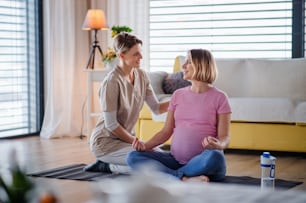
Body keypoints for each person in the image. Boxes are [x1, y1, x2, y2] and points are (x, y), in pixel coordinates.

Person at [127, 49, 231, 182]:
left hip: (204, 161)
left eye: (188, 62)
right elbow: (166, 131)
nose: (183, 66)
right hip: (175, 160)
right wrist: (145, 145)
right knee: (133, 157)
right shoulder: (178, 95)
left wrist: (218, 144)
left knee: (215, 157)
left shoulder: (220, 97)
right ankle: (184, 178)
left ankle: (173, 176)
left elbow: (225, 137)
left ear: (201, 65)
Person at [84, 32, 169, 174]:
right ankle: (106, 165)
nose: (141, 57)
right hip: (106, 142)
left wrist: (180, 99)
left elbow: (156, 108)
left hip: (125, 141)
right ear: (121, 56)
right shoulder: (112, 82)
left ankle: (111, 163)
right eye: (136, 54)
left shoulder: (142, 75)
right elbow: (111, 125)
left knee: (164, 158)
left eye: (140, 53)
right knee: (152, 166)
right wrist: (137, 142)